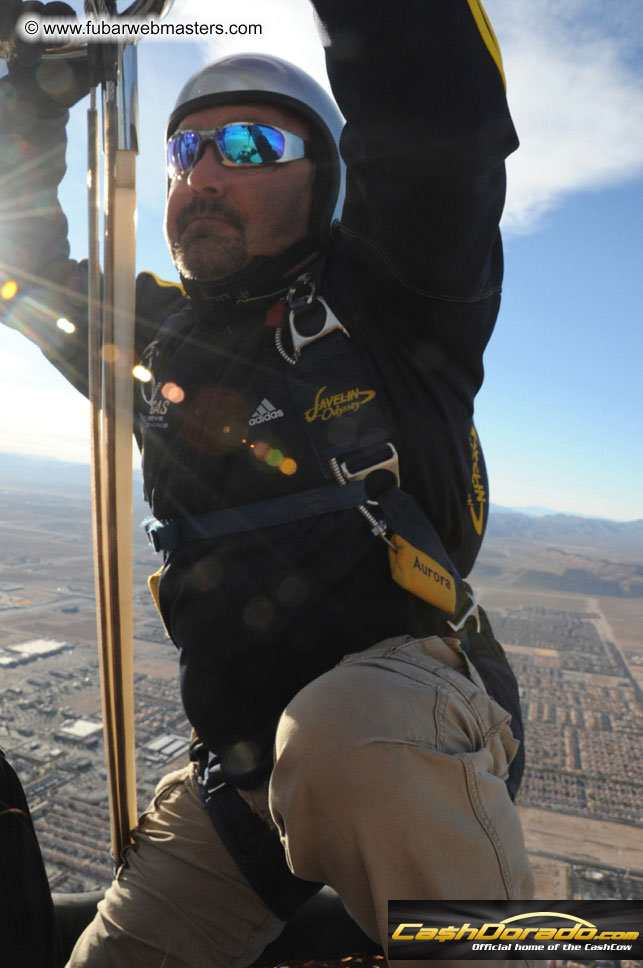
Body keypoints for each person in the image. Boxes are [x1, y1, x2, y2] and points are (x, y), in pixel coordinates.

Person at [0, 1, 535, 965]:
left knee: (343, 739)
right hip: (242, 766)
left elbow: (434, 101)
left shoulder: (396, 297)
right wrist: (35, 107)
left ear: (324, 180)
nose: (202, 173)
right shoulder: (159, 340)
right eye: (186, 151)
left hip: (408, 718)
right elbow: (16, 268)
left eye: (248, 145)